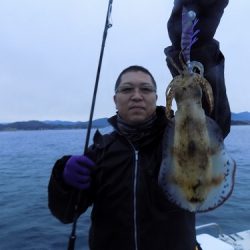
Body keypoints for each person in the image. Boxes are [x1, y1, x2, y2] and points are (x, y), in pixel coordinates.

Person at [48, 0, 231, 249]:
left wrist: (197, 49)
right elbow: (66, 213)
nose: (136, 95)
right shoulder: (99, 152)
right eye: (127, 89)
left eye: (145, 89)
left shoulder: (179, 134)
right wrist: (63, 178)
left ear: (158, 97)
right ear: (115, 99)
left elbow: (213, 120)